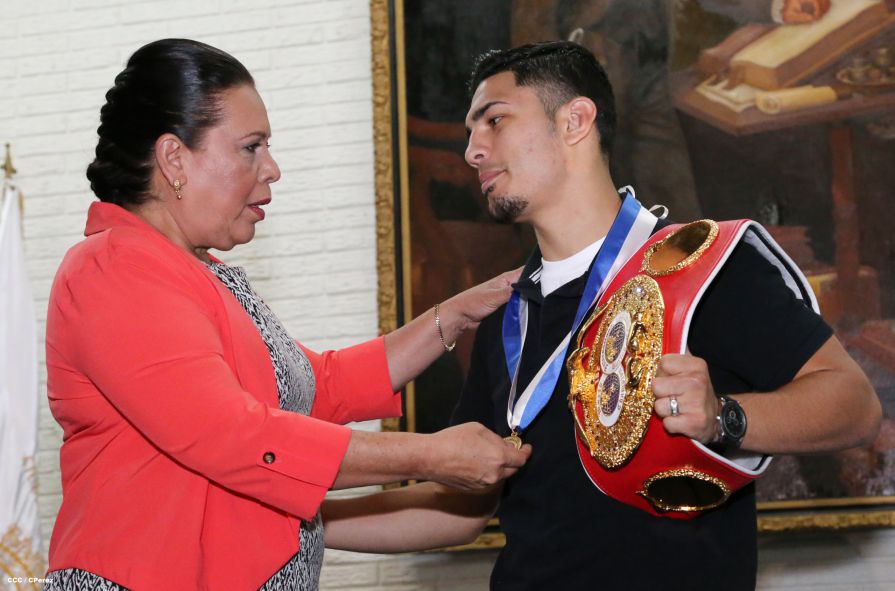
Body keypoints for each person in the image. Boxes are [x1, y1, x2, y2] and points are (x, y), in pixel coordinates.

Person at [322, 40, 880, 590]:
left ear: (575, 121)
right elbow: (462, 510)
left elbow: (855, 406)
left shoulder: (702, 270)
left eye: (494, 120)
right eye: (471, 132)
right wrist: (300, 521)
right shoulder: (505, 313)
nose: (473, 150)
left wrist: (725, 417)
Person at [42, 39, 531, 591]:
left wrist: (458, 313)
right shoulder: (115, 270)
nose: (271, 169)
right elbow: (236, 437)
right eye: (251, 147)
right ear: (174, 158)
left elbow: (315, 386)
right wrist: (434, 455)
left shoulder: (199, 271)